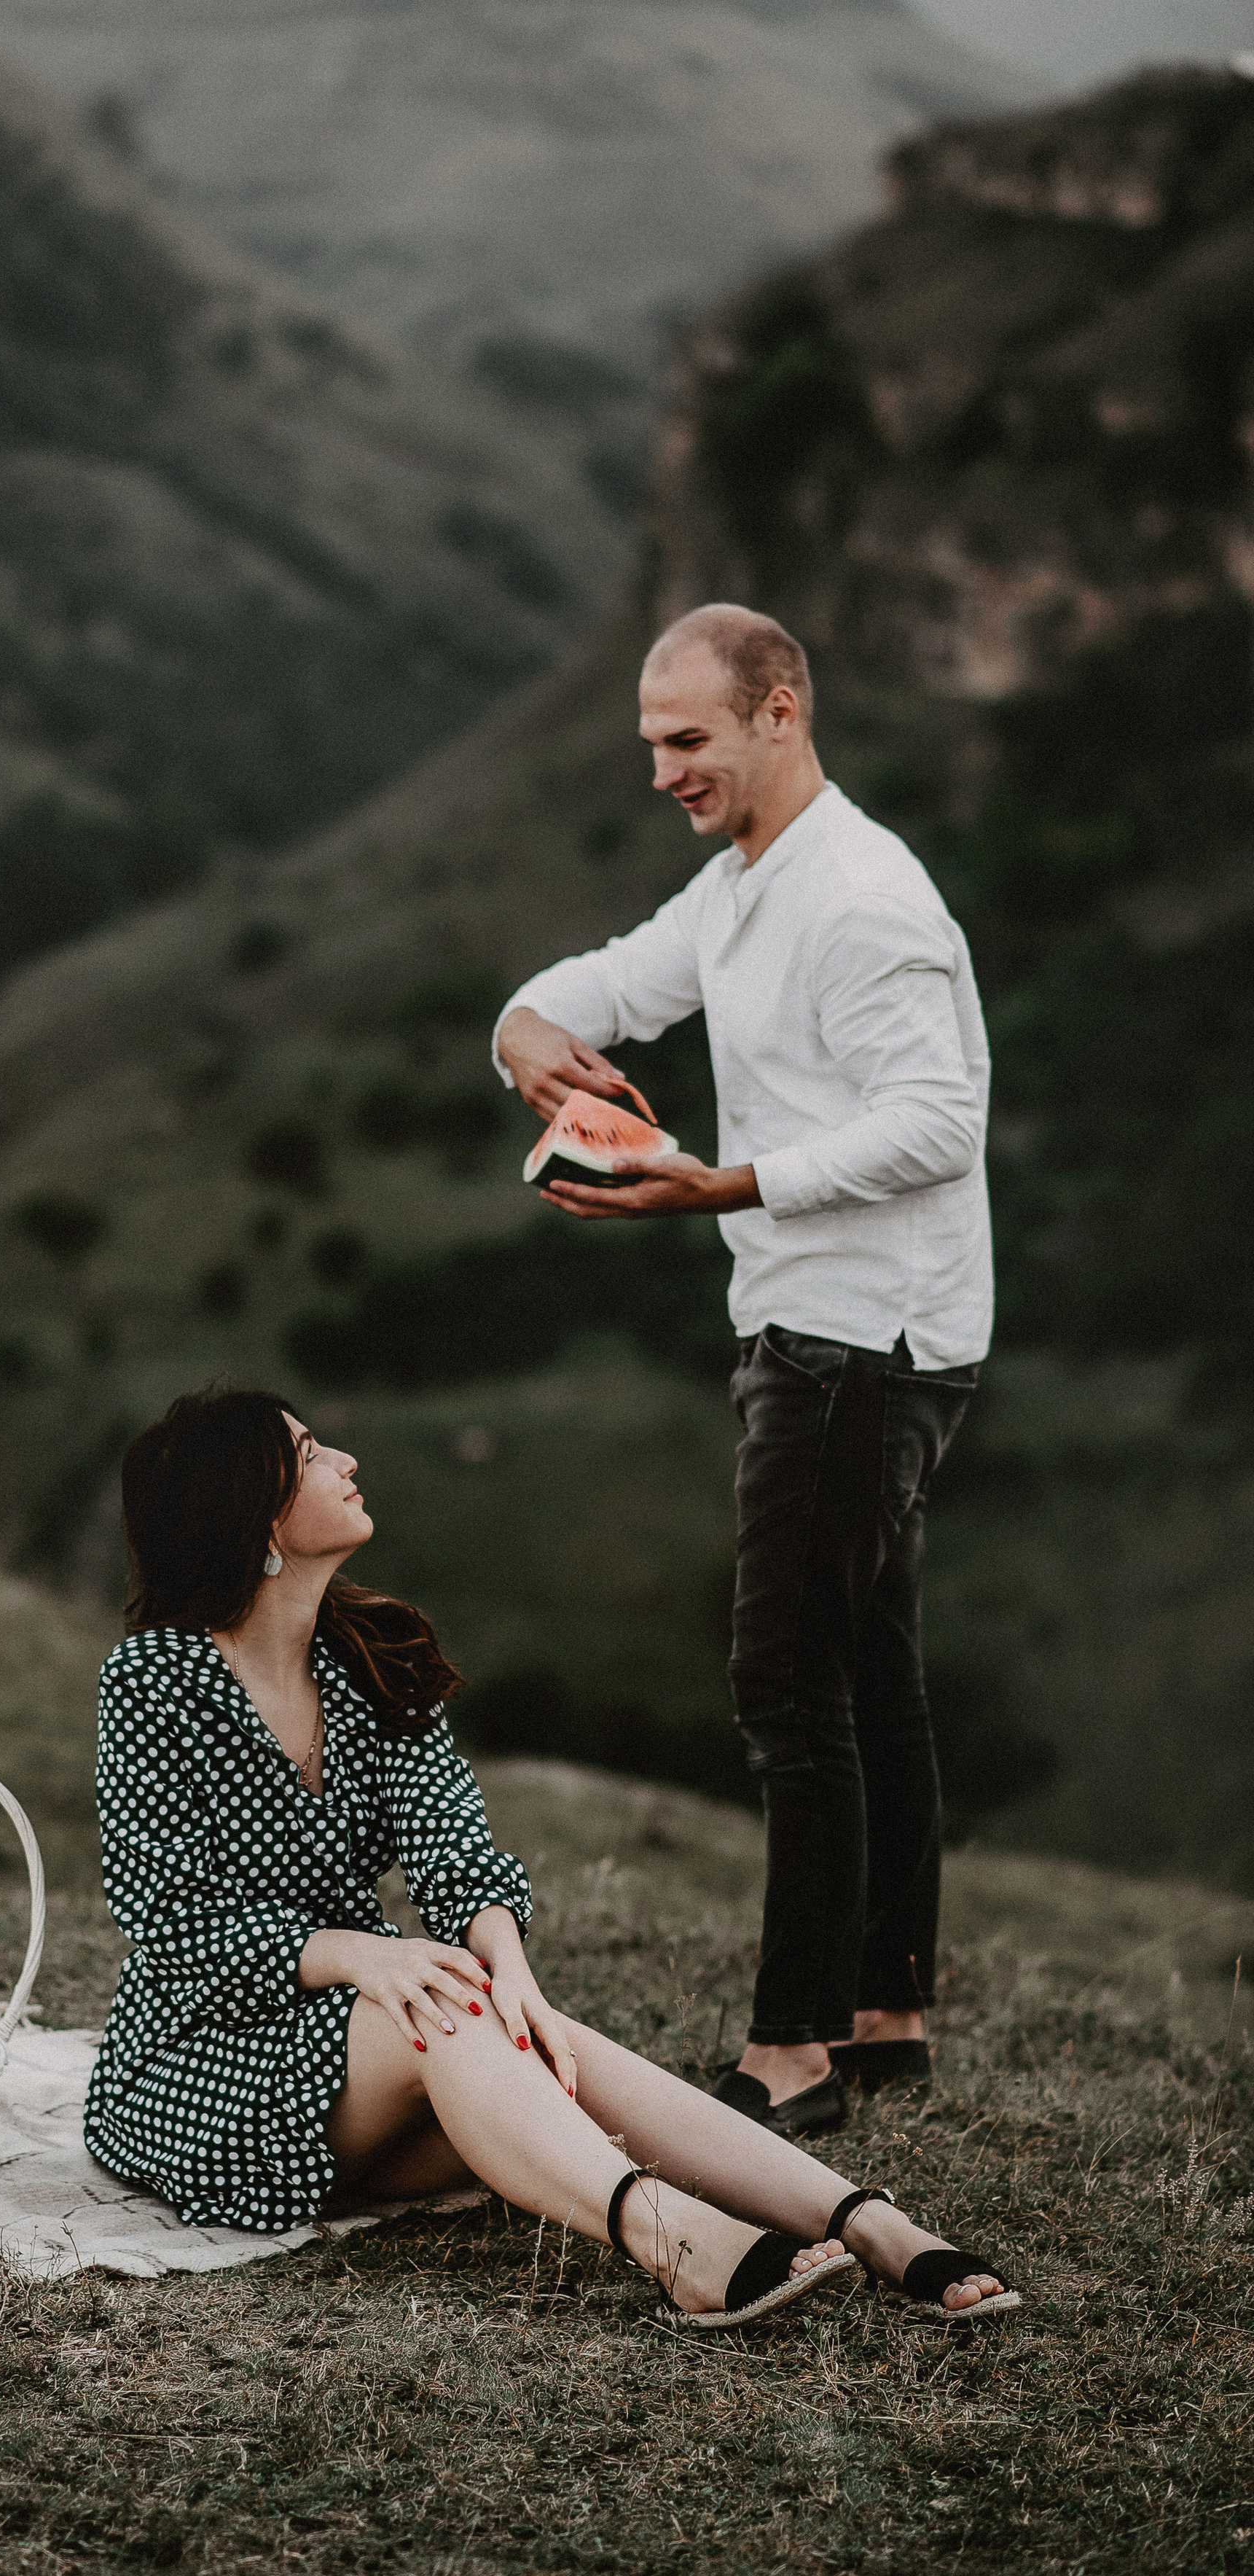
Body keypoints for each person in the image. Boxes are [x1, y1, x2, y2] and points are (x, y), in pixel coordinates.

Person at [82, 1386, 1014, 2327]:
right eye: (312, 1453)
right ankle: (672, 2239)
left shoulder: (371, 1655)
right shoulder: (157, 1679)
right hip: (202, 2061)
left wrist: (511, 1970)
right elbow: (168, 1914)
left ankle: (867, 2220)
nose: (345, 1462)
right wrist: (363, 1953)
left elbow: (452, 1841)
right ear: (254, 1512)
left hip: (373, 2048)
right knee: (442, 2005)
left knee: (517, 2024)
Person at [493, 602, 992, 2137]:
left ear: (779, 713)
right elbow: (594, 986)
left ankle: (791, 2052)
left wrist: (725, 1184)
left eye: (685, 740)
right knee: (868, 1668)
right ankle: (883, 2006)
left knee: (786, 1680)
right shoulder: (737, 890)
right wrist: (524, 1040)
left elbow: (938, 1120)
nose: (660, 770)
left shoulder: (864, 902)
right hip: (820, 1316)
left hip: (862, 1336)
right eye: (648, 742)